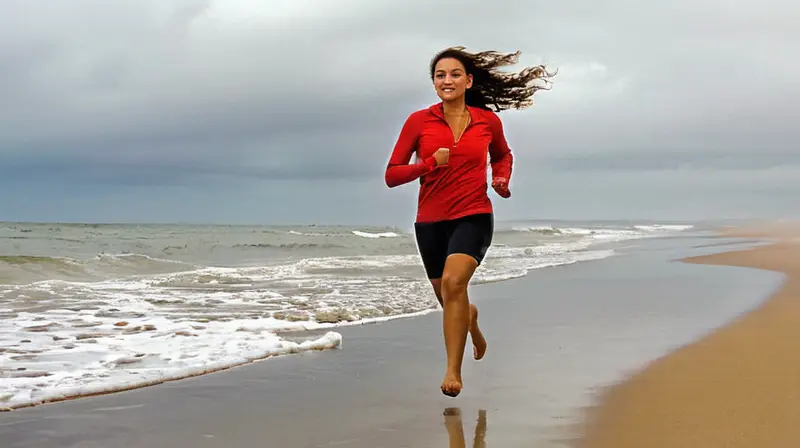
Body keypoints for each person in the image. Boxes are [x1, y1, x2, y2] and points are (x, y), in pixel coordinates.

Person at [384, 46, 556, 397]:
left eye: (455, 74)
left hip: (474, 214)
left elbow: (503, 154)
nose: (447, 80)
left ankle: (452, 373)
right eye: (440, 75)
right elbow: (392, 174)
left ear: (468, 80)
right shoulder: (419, 121)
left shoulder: (487, 121)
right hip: (430, 221)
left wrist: (502, 179)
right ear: (434, 84)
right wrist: (429, 163)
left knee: (453, 282)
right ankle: (471, 319)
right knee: (449, 296)